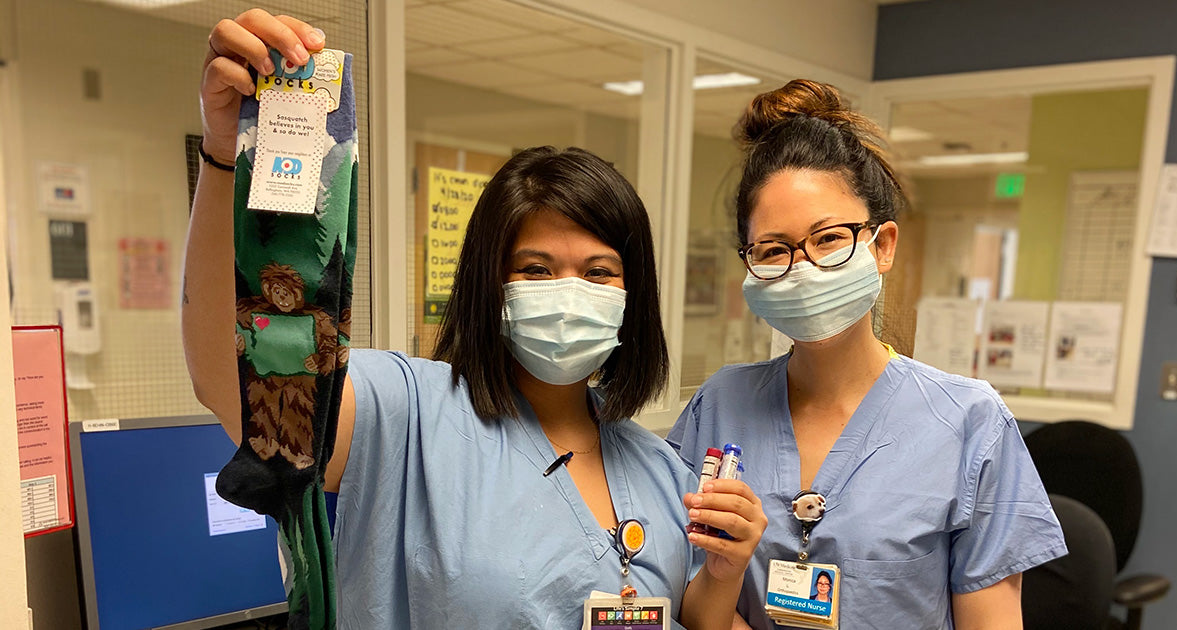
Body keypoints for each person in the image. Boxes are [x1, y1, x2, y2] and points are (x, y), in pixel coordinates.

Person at [183, 10, 767, 628]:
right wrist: (225, 155)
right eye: (536, 269)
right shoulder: (407, 417)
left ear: (634, 298)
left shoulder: (659, 469)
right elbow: (240, 384)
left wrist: (723, 576)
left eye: (598, 273)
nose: (569, 294)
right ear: (490, 287)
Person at [667, 79, 1066, 629]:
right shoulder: (720, 404)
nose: (802, 268)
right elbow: (690, 610)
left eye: (828, 238)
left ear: (883, 245)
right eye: (775, 249)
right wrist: (720, 572)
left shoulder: (969, 423)